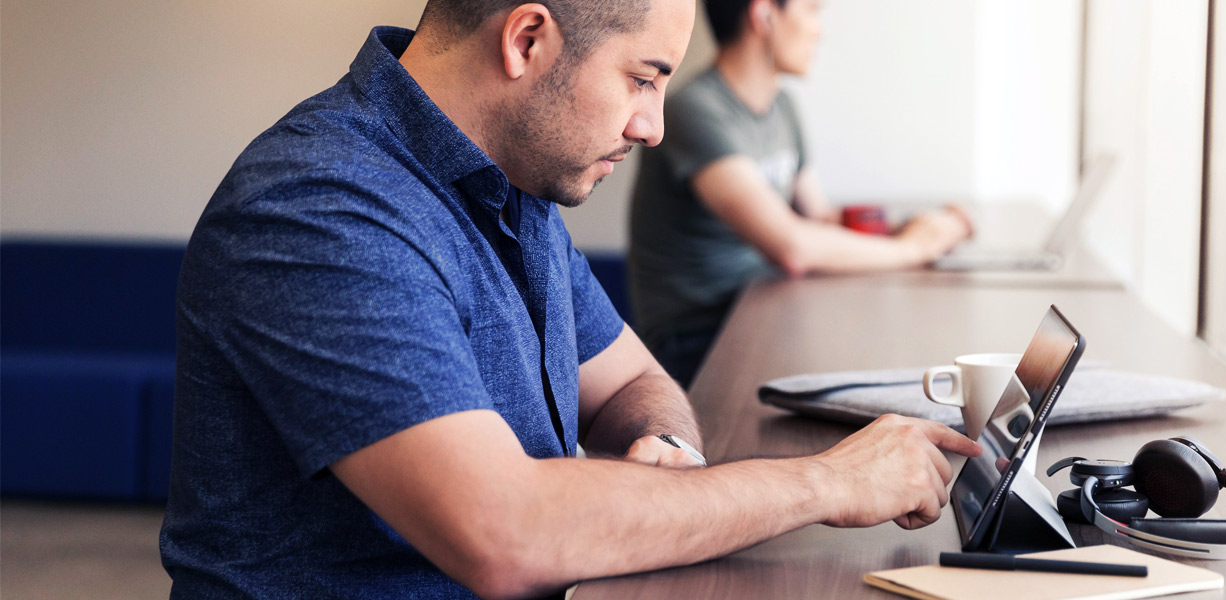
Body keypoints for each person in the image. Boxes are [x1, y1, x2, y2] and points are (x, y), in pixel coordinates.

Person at [160, 1, 981, 598]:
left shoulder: (515, 189)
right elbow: (503, 532)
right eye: (642, 78)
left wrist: (670, 454)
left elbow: (629, 382)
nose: (653, 126)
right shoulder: (317, 207)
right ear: (527, 40)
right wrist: (829, 484)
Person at [628, 0, 973, 387]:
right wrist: (914, 249)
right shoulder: (693, 111)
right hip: (701, 339)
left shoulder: (782, 107)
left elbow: (819, 218)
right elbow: (792, 246)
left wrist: (909, 227)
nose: (819, 30)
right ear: (764, 15)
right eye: (811, 11)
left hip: (766, 310)